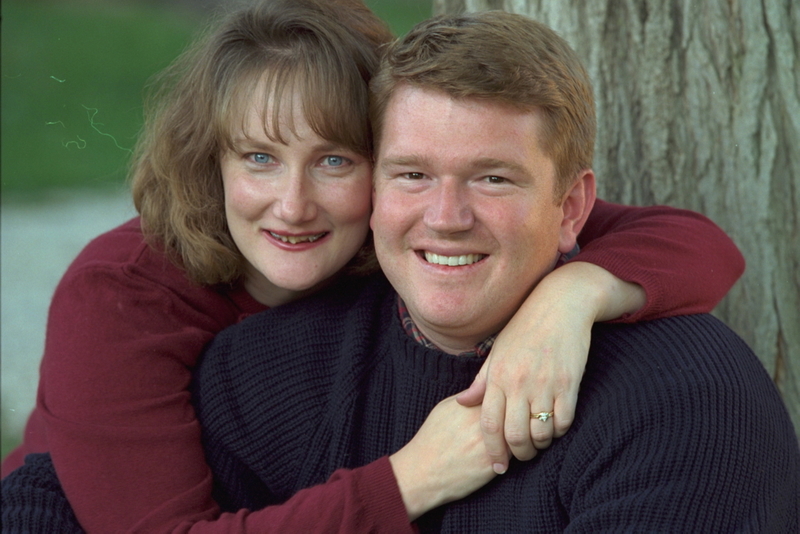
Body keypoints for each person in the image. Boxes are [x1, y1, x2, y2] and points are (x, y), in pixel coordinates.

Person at [1, 1, 749, 533]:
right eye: (260, 158)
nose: (293, 205)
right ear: (213, 164)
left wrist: (570, 298)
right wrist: (413, 478)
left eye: (333, 160)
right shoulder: (126, 294)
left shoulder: (406, 233)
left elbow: (693, 244)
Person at [186, 9, 796, 531]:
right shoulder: (256, 378)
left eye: (493, 178)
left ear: (572, 208)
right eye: (413, 175)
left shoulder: (685, 401)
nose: (446, 217)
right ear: (373, 190)